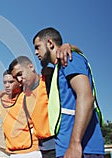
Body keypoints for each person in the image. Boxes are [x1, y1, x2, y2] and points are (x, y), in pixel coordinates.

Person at [33, 27, 104, 158]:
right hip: (66, 148)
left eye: (38, 47)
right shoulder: (59, 67)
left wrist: (75, 143)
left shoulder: (69, 59)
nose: (36, 52)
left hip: (82, 148)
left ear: (50, 43)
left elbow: (86, 97)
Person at [9, 56, 55, 158]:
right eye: (16, 77)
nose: (19, 79)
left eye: (20, 74)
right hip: (44, 149)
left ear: (31, 67)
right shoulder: (25, 95)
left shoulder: (49, 81)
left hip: (59, 144)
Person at [0, 70, 42, 158]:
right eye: (5, 82)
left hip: (33, 151)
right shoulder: (0, 101)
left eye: (11, 82)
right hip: (13, 153)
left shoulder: (27, 96)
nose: (7, 85)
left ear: (19, 82)